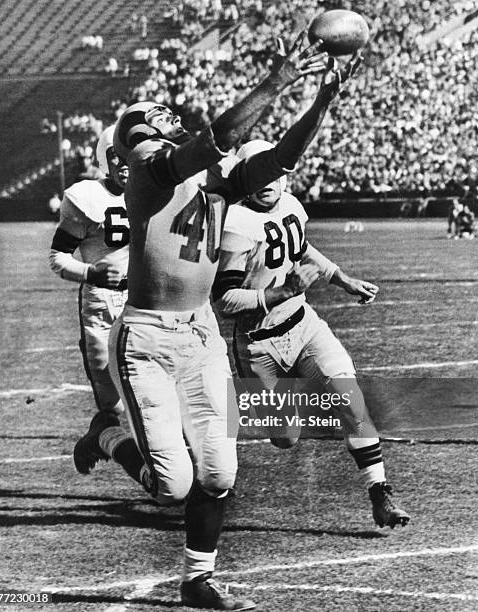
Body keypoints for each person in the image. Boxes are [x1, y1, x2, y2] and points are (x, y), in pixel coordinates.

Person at [77, 33, 361, 610]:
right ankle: (106, 436)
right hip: (148, 339)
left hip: (202, 334)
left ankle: (197, 579)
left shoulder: (212, 178)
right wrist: (280, 79)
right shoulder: (150, 171)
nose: (160, 133)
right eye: (150, 129)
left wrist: (321, 102)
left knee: (217, 472)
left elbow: (280, 159)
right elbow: (221, 138)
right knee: (169, 486)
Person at [213, 139, 410, 530]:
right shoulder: (235, 223)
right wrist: (281, 291)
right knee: (285, 436)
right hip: (258, 344)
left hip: (304, 326)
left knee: (349, 395)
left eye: (273, 172)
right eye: (257, 174)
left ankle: (379, 493)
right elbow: (226, 300)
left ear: (285, 175)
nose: (266, 181)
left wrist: (342, 279)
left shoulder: (291, 207)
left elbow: (303, 250)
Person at [49, 125, 130, 475]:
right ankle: (97, 439)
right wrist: (91, 273)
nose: (126, 163)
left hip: (150, 300)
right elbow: (58, 257)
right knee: (112, 405)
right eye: (117, 156)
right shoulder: (86, 197)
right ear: (104, 158)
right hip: (102, 303)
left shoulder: (158, 191)